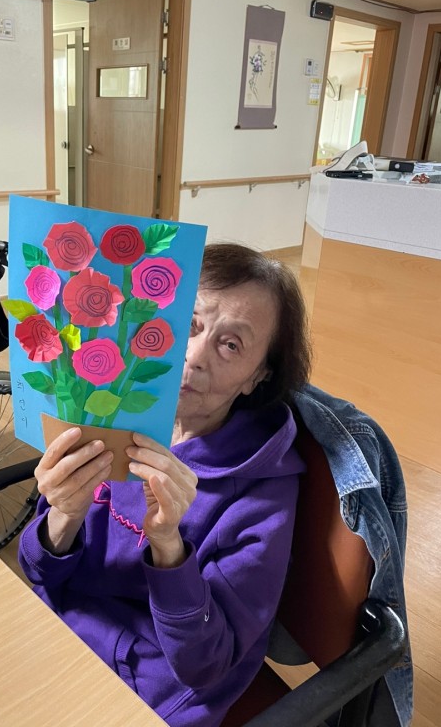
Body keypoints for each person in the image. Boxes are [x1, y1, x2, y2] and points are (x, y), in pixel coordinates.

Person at [18, 242, 312, 727]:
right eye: (190, 325)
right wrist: (63, 516)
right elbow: (37, 571)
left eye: (230, 345)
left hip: (151, 690)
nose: (193, 357)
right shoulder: (109, 411)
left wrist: (169, 549)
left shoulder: (263, 496)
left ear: (257, 377)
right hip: (55, 638)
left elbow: (206, 665)